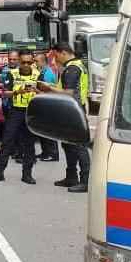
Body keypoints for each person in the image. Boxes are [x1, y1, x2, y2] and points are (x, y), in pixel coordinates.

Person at [42, 41, 92, 193]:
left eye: (56, 56)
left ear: (63, 52)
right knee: (68, 144)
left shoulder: (72, 68)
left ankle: (85, 181)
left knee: (79, 146)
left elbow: (68, 92)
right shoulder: (79, 65)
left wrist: (48, 88)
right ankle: (71, 177)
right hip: (73, 109)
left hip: (73, 110)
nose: (56, 60)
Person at [0, 50, 40, 185]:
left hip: (32, 111)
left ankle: (27, 174)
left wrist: (37, 91)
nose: (26, 65)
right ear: (19, 62)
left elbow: (45, 91)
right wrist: (19, 91)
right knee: (7, 141)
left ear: (33, 62)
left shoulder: (38, 74)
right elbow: (5, 93)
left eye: (29, 62)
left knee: (29, 144)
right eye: (23, 62)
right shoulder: (12, 74)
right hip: (15, 111)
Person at [34, 52, 60, 162]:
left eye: (37, 61)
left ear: (43, 61)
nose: (35, 63)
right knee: (42, 130)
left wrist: (36, 91)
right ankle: (45, 152)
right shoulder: (42, 71)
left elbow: (49, 91)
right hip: (43, 103)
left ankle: (53, 154)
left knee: (49, 130)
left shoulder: (48, 74)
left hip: (48, 104)